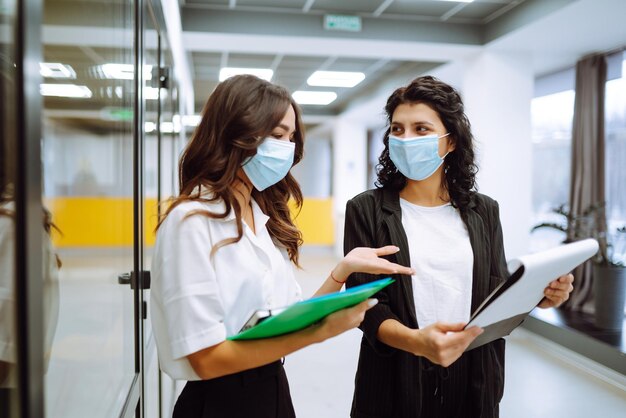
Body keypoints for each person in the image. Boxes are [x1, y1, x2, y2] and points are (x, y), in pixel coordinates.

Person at [150, 74, 414, 418]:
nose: (286, 147)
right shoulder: (190, 223)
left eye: (291, 137)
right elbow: (206, 359)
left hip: (272, 388)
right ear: (234, 133)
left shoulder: (260, 217)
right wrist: (319, 333)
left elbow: (288, 319)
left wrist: (342, 270)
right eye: (276, 135)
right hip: (218, 401)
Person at [343, 75, 575, 418]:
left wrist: (539, 295)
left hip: (474, 376)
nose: (406, 139)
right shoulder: (366, 209)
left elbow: (494, 289)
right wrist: (418, 342)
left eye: (421, 129)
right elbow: (366, 306)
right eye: (397, 129)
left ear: (450, 141)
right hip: (396, 376)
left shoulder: (484, 210)